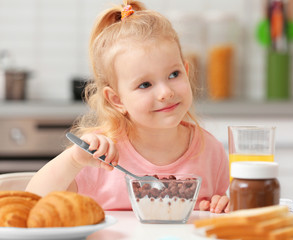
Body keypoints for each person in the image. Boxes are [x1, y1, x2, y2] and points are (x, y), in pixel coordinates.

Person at [26, 0, 230, 213]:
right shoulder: (99, 153)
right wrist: (74, 159)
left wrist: (224, 206)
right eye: (145, 84)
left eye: (173, 74)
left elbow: (218, 212)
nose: (166, 92)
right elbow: (32, 201)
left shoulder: (211, 151)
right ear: (117, 100)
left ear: (186, 71)